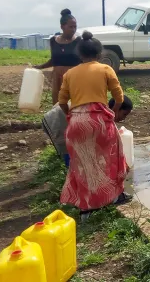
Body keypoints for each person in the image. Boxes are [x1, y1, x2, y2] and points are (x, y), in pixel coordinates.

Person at [57, 30, 131, 220]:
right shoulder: (105, 69)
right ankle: (115, 196)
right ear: (99, 54)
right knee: (112, 157)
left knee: (82, 165)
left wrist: (71, 116)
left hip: (76, 123)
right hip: (99, 120)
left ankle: (86, 210)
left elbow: (62, 101)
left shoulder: (70, 73)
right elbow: (119, 97)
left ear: (80, 55)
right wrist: (112, 114)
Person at [42, 96, 134, 168]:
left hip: (62, 116)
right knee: (69, 149)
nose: (124, 118)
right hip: (55, 121)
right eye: (124, 114)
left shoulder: (102, 110)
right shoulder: (100, 114)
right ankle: (70, 173)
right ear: (116, 108)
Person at [35, 9, 82, 105]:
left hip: (73, 78)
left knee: (73, 103)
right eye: (70, 27)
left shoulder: (79, 41)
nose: (73, 29)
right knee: (58, 104)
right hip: (57, 78)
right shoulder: (53, 40)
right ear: (62, 27)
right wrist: (40, 67)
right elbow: (54, 60)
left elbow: (83, 60)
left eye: (75, 27)